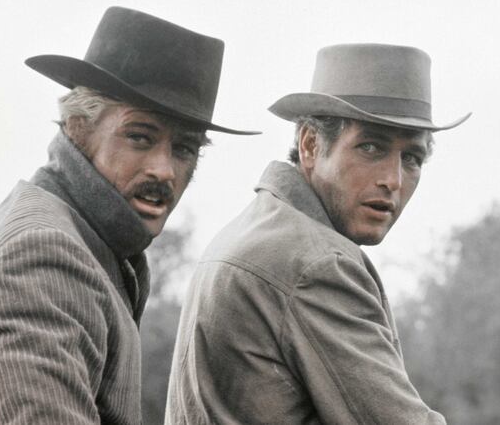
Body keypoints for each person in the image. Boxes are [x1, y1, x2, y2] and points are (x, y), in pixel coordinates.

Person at [0, 6, 257, 424]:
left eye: (184, 149)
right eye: (140, 137)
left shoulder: (85, 243)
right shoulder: (43, 251)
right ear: (78, 126)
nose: (164, 170)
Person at [166, 43, 471, 424]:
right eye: (371, 147)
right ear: (310, 144)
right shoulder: (315, 264)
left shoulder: (253, 229)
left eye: (411, 158)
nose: (392, 180)